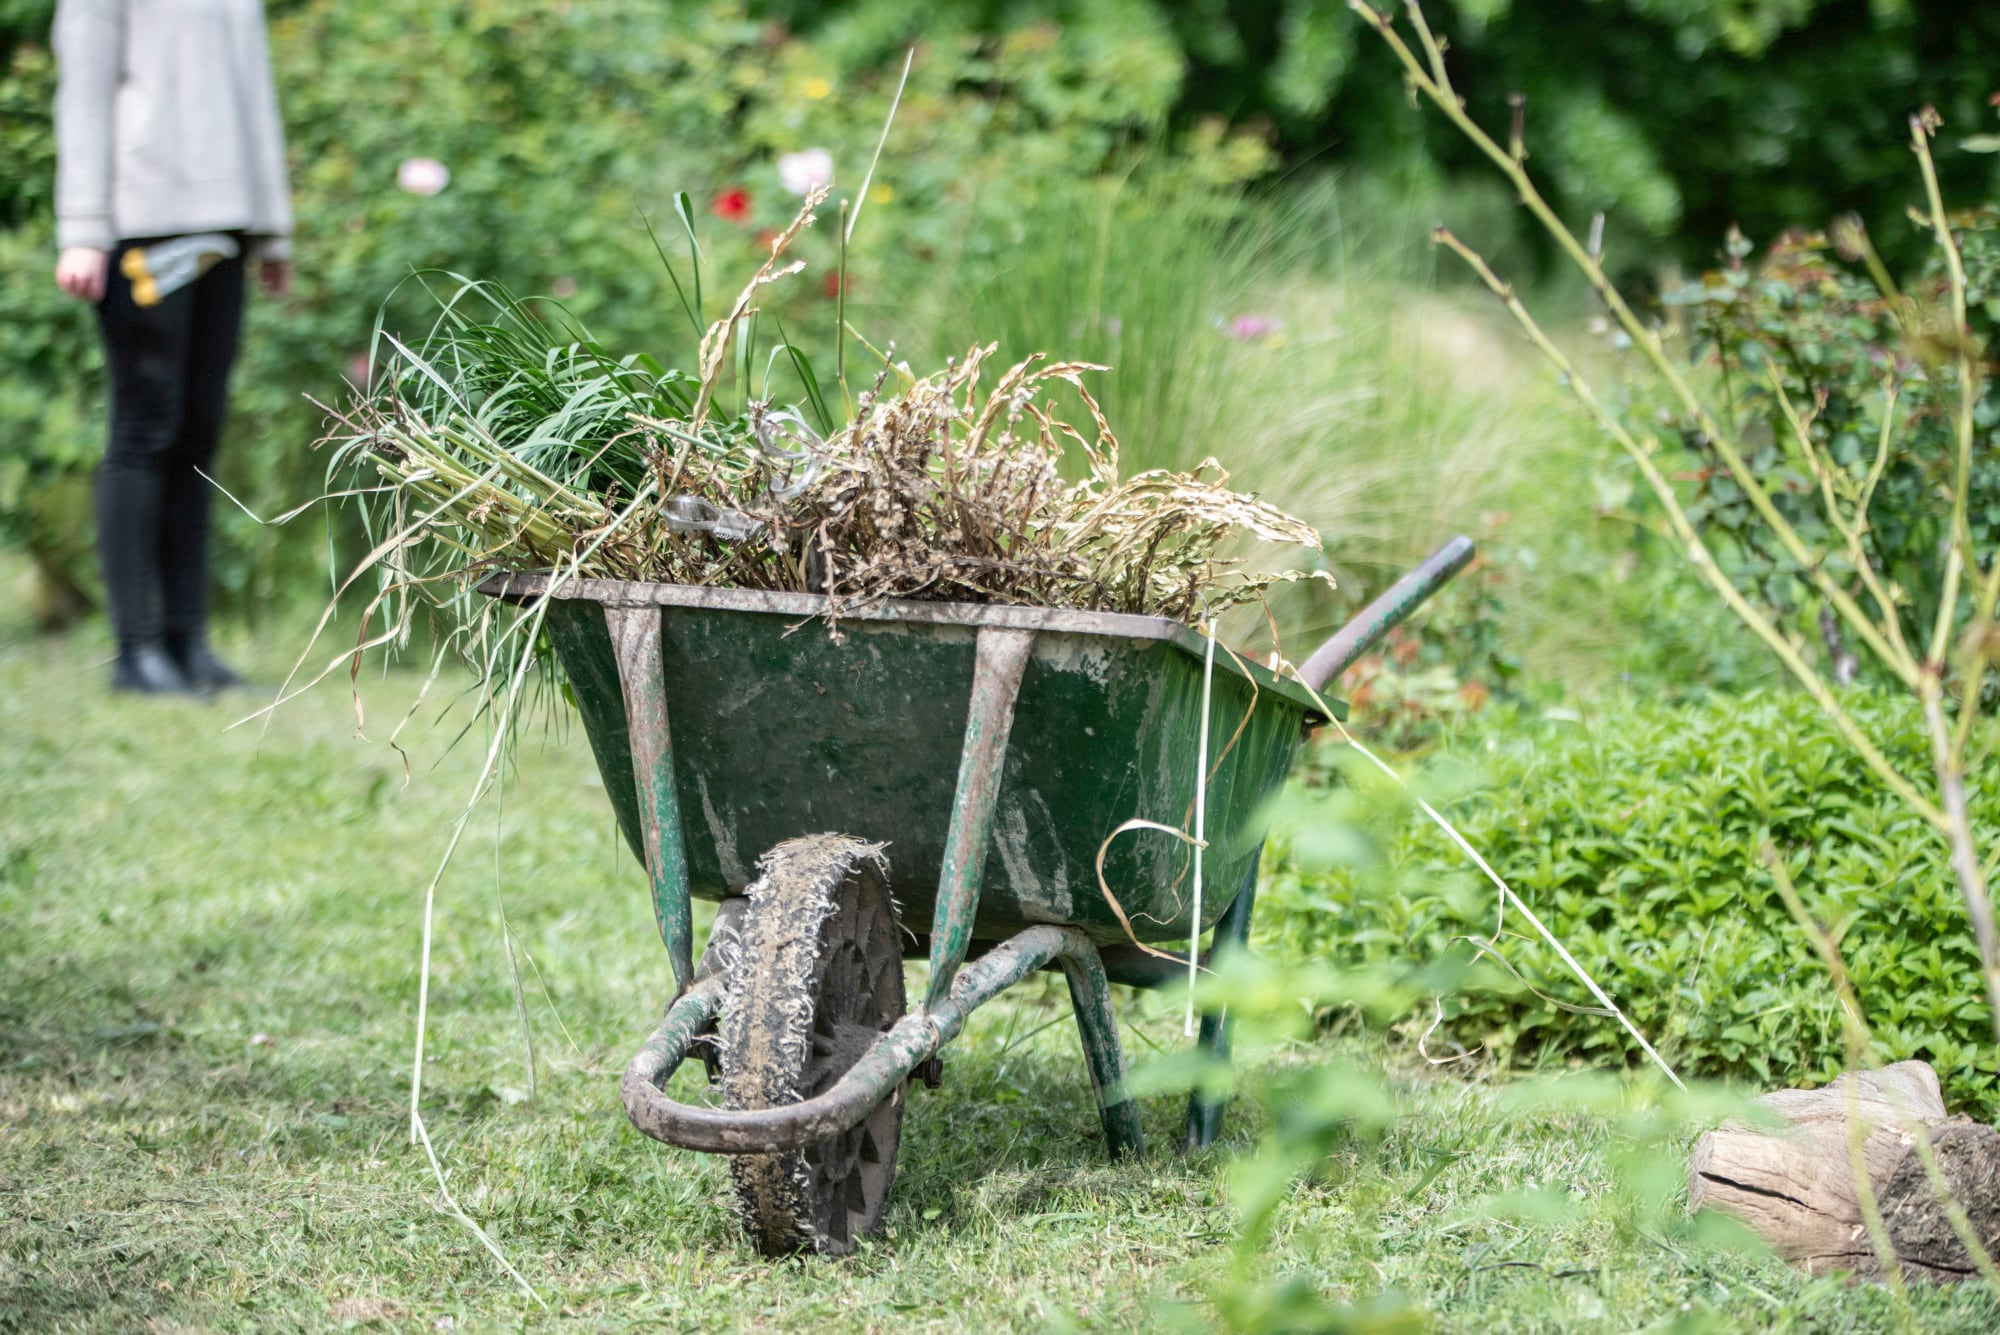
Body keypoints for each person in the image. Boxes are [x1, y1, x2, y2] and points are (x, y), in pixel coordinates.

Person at [52, 0, 293, 693]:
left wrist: (272, 227)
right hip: (141, 226)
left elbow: (254, 91)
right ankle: (137, 649)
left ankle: (189, 641)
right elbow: (85, 92)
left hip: (228, 223)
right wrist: (83, 225)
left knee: (199, 432)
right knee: (144, 430)